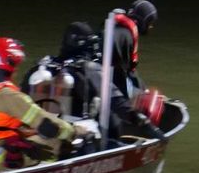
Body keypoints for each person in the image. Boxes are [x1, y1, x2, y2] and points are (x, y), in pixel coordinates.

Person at [0, 37, 88, 173]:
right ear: (8, 63)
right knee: (54, 139)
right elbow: (48, 126)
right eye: (16, 64)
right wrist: (75, 131)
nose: (16, 69)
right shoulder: (7, 94)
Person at [24, 21, 165, 142]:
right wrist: (144, 123)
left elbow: (22, 97)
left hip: (35, 133)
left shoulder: (43, 65)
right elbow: (117, 103)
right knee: (109, 118)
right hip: (74, 139)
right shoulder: (89, 68)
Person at [110, 0, 157, 98]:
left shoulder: (115, 27)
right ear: (143, 21)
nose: (151, 26)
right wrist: (144, 93)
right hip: (110, 81)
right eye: (150, 23)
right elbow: (124, 71)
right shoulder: (127, 36)